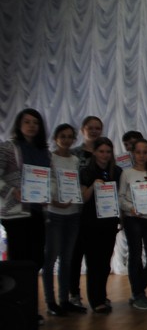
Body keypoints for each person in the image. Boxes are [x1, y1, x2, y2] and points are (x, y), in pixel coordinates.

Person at [0, 109, 51, 323]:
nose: (31, 126)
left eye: (35, 122)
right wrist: (13, 191)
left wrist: (48, 194)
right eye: (27, 122)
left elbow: (48, 179)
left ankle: (29, 307)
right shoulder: (8, 147)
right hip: (15, 213)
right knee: (19, 263)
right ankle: (16, 311)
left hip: (37, 212)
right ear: (19, 125)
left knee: (35, 260)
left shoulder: (44, 152)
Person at [119, 139, 147, 310]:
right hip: (134, 219)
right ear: (133, 154)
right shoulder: (127, 173)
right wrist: (131, 208)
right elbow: (120, 198)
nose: (141, 156)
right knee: (135, 255)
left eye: (145, 152)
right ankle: (137, 293)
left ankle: (138, 291)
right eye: (138, 152)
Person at [42, 124, 82, 317]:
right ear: (55, 138)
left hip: (73, 214)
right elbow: (45, 184)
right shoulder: (49, 158)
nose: (66, 140)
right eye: (62, 136)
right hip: (54, 213)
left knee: (67, 259)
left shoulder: (75, 160)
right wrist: (54, 201)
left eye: (69, 137)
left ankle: (64, 300)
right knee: (50, 260)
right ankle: (50, 302)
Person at [79, 137, 122, 314]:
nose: (105, 155)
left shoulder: (117, 172)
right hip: (91, 223)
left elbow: (121, 196)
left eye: (108, 152)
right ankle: (95, 299)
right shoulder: (86, 172)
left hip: (109, 222)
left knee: (105, 263)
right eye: (101, 151)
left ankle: (102, 295)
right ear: (95, 152)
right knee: (94, 262)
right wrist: (93, 187)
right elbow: (83, 198)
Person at [68, 116, 104, 308]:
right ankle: (73, 294)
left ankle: (98, 296)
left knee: (96, 258)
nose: (94, 131)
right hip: (76, 211)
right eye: (90, 127)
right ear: (82, 130)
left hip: (99, 213)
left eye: (98, 128)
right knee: (75, 255)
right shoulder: (74, 154)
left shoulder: (104, 154)